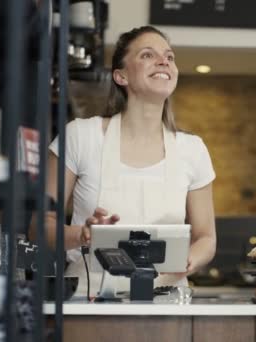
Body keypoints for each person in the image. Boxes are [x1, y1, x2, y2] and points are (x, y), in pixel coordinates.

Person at [29, 26, 216, 294]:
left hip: (166, 300)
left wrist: (187, 261)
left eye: (169, 57)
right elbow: (38, 227)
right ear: (120, 76)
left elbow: (206, 237)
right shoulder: (80, 136)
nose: (164, 61)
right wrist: (81, 235)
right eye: (147, 55)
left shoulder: (193, 149)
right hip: (88, 297)